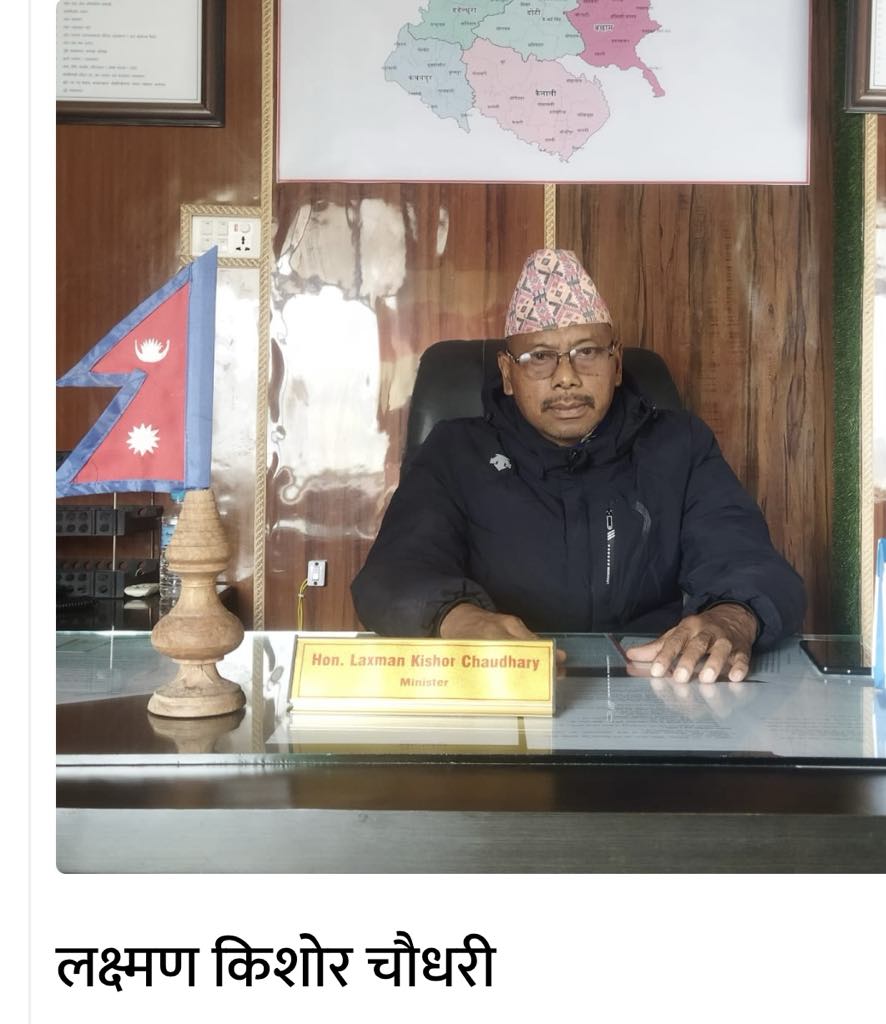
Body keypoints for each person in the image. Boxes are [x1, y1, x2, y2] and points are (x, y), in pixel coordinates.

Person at [352, 249, 805, 683]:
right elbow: (395, 573)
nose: (566, 377)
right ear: (507, 374)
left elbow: (745, 557)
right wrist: (460, 620)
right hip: (504, 688)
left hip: (656, 688)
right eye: (539, 357)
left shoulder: (678, 446)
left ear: (616, 364)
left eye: (587, 352)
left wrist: (731, 619)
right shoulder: (456, 452)